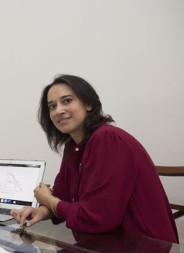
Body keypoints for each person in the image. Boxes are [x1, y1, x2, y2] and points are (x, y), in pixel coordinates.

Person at [11, 74, 178, 243]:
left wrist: (49, 200)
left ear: (88, 104)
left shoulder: (108, 139)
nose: (58, 110)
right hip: (104, 249)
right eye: (52, 106)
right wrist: (42, 211)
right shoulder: (74, 146)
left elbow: (97, 218)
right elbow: (65, 197)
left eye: (67, 101)